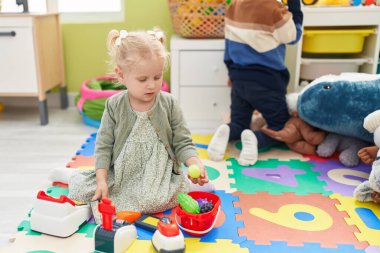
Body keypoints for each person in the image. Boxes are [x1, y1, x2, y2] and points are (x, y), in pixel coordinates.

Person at [49, 28, 209, 213]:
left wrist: (194, 163)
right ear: (121, 75)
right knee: (91, 189)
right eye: (142, 79)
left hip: (156, 172)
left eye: (157, 77)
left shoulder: (169, 103)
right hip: (122, 170)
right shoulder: (114, 105)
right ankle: (72, 177)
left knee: (152, 200)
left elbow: (182, 141)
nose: (152, 84)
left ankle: (189, 185)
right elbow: (104, 146)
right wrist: (101, 179)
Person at [207, 0, 303, 166]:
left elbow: (228, 47)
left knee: (239, 122)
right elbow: (293, 36)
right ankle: (256, 138)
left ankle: (227, 131)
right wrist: (295, 8)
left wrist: (232, 73)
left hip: (239, 79)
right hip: (267, 82)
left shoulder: (234, 6)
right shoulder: (274, 9)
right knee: (280, 127)